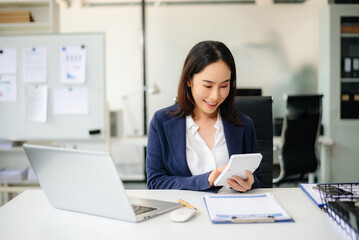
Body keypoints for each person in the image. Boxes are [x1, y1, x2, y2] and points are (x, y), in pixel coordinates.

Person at [146, 40, 263, 192]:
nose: (215, 96)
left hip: (231, 211)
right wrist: (206, 180)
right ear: (189, 80)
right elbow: (155, 182)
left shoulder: (243, 124)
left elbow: (259, 182)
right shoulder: (161, 121)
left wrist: (250, 184)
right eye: (207, 86)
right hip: (185, 211)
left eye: (224, 86)